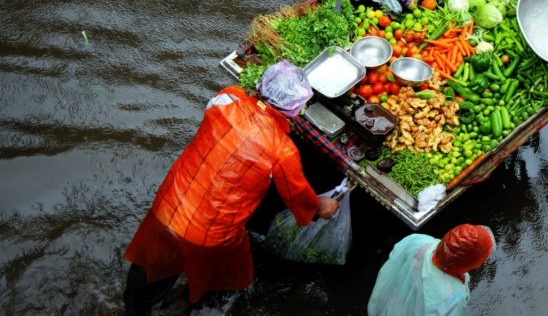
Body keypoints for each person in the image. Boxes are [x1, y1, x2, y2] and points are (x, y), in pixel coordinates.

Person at [122, 61, 340, 316]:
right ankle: (192, 302)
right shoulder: (282, 150)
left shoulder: (227, 98)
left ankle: (134, 309)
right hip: (210, 233)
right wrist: (322, 206)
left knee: (151, 271)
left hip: (167, 208)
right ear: (295, 108)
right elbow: (297, 197)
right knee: (230, 274)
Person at [367, 224, 495, 316]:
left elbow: (390, 270)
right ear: (473, 263)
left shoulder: (419, 241)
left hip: (383, 308)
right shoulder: (453, 298)